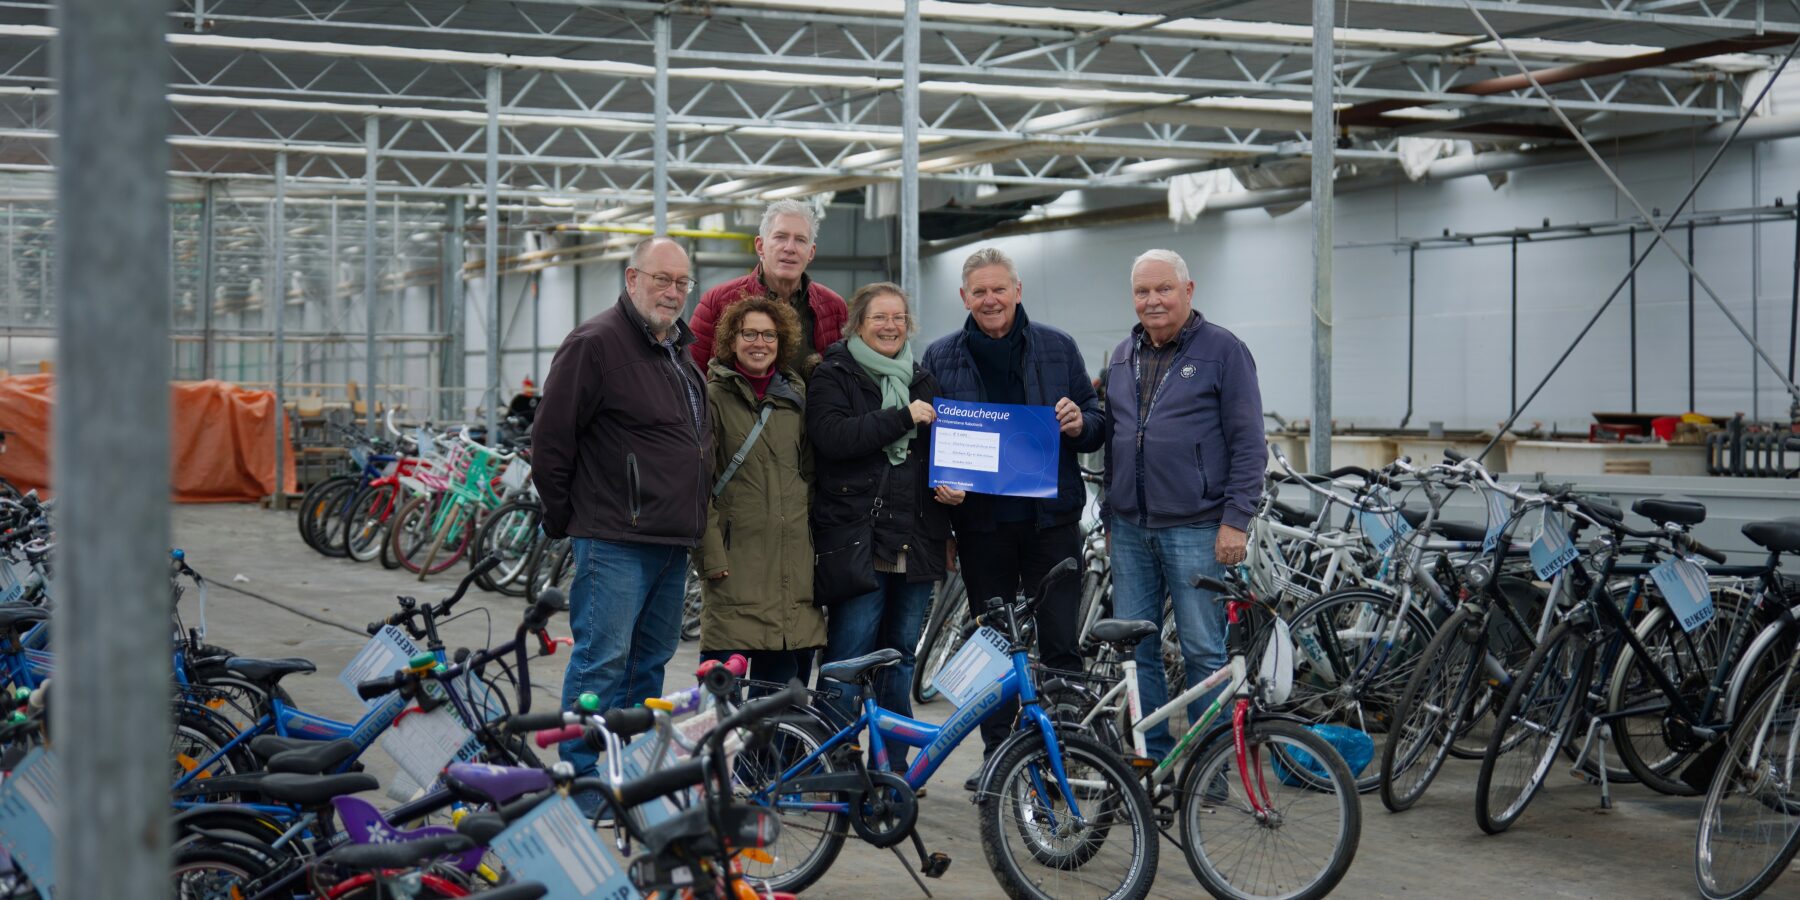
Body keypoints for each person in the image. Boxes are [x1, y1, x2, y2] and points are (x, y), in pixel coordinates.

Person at [531, 236, 712, 814]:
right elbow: (551, 442)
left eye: (682, 282)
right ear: (632, 279)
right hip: (615, 537)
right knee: (600, 662)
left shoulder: (676, 351)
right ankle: (581, 786)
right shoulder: (595, 343)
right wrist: (570, 519)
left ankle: (628, 775)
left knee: (649, 663)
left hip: (668, 538)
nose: (673, 291)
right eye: (662, 278)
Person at [918, 247, 1104, 791]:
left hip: (1052, 523)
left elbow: (1098, 424)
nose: (991, 299)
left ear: (1018, 290)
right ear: (964, 298)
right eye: (979, 291)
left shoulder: (1058, 347)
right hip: (982, 528)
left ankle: (1064, 754)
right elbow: (930, 446)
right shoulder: (941, 356)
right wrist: (941, 495)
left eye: (1000, 288)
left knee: (1060, 642)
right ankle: (1000, 756)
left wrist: (1078, 423)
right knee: (993, 646)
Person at [1102, 248, 1265, 760]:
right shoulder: (1122, 354)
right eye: (1142, 292)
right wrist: (1110, 513)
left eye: (1163, 289)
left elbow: (1248, 442)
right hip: (1130, 527)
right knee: (1138, 652)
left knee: (1203, 651)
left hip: (1196, 527)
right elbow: (1115, 439)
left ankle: (1206, 766)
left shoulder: (1223, 351)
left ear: (1188, 291)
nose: (1153, 301)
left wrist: (1235, 520)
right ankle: (1149, 756)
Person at [807, 282, 953, 757]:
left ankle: (891, 763)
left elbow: (938, 454)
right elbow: (832, 438)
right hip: (858, 539)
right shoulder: (834, 374)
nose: (890, 326)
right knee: (849, 657)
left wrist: (952, 486)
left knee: (900, 659)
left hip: (915, 538)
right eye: (879, 318)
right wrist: (901, 417)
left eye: (898, 318)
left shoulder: (923, 378)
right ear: (857, 325)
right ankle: (834, 757)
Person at [696, 295, 825, 688]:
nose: (759, 343)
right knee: (720, 703)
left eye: (769, 335)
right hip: (734, 570)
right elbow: (698, 486)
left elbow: (811, 479)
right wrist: (711, 558)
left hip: (793, 572)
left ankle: (770, 755)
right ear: (731, 340)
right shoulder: (712, 397)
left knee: (778, 708)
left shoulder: (797, 398)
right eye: (749, 333)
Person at [690, 199, 848, 371]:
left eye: (800, 240)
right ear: (760, 246)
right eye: (780, 237)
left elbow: (843, 375)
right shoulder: (718, 301)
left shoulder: (834, 307)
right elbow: (690, 374)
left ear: (811, 252)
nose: (789, 248)